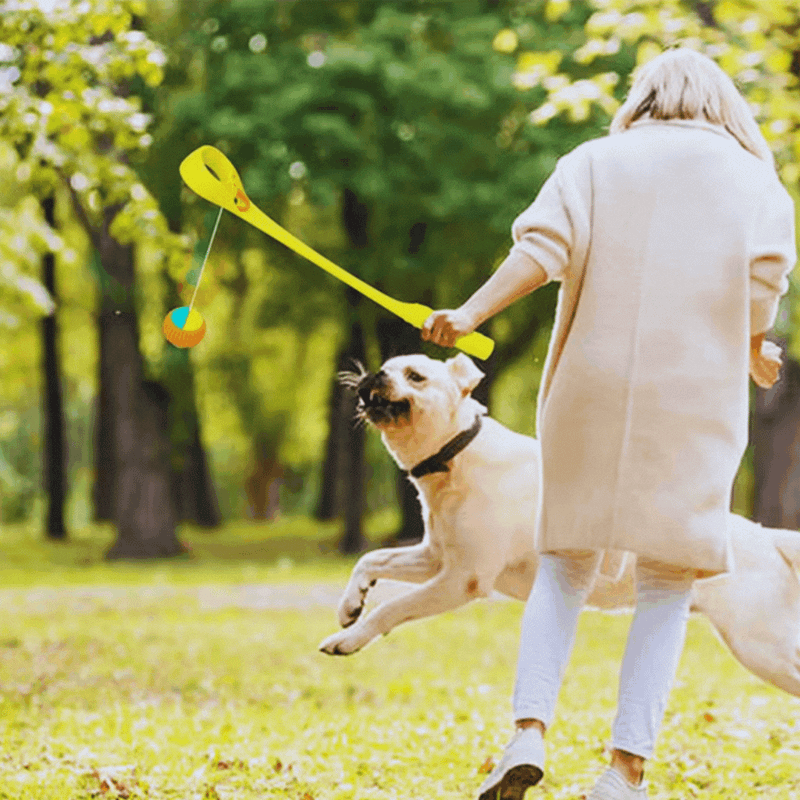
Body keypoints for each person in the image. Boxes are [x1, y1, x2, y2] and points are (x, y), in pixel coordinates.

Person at [421, 47, 796, 800]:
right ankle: (623, 771)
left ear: (645, 97)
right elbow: (765, 277)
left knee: (563, 565)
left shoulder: (594, 160)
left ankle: (527, 732)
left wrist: (468, 313)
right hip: (693, 396)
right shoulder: (753, 177)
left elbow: (540, 251)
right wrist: (753, 342)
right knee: (666, 581)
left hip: (589, 390)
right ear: (721, 101)